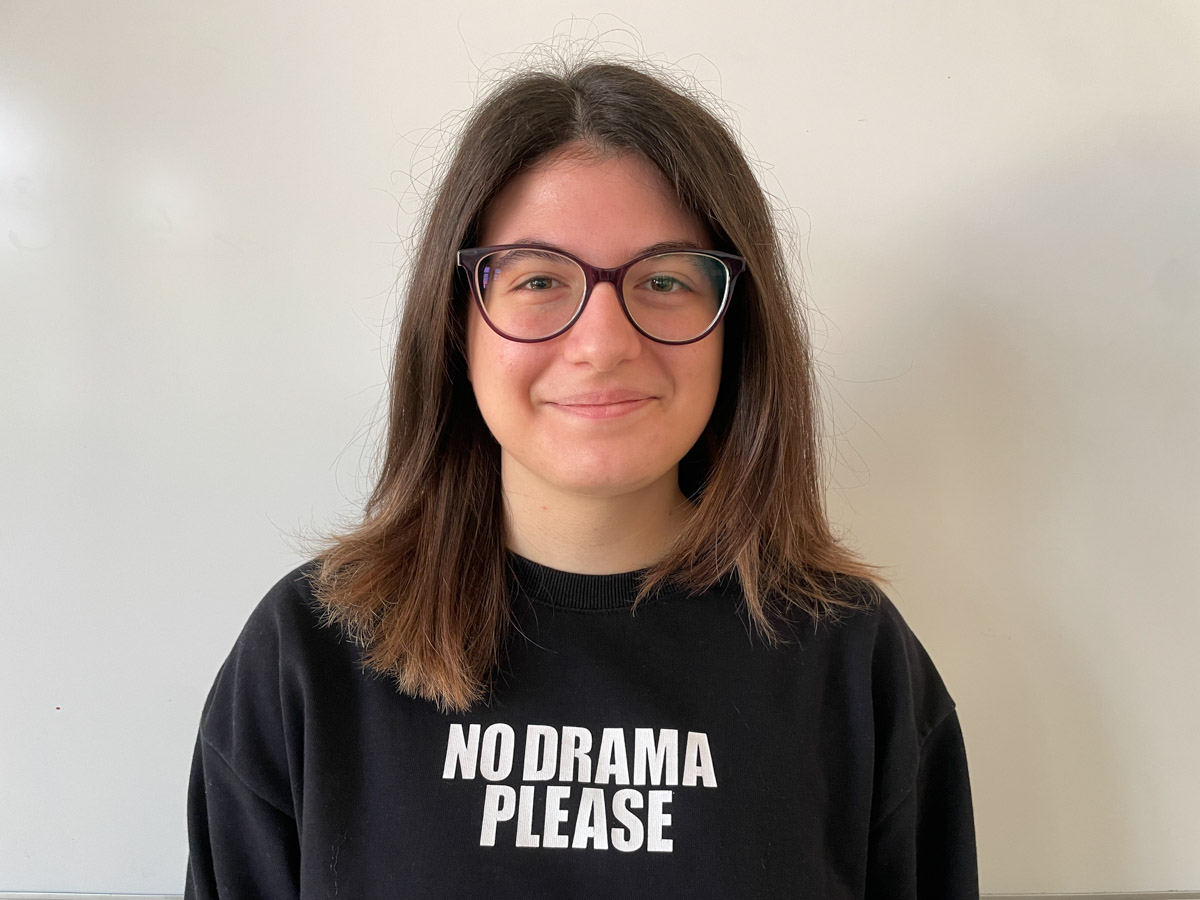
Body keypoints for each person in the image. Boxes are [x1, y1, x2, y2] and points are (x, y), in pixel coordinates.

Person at [184, 58, 978, 898]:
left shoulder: (853, 664)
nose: (602, 343)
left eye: (665, 280)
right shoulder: (307, 656)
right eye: (538, 279)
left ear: (735, 329)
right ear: (456, 324)